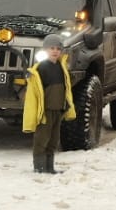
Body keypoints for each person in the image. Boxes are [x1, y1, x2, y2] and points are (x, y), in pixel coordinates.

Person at [23, 33, 76, 174]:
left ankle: (49, 167)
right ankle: (39, 168)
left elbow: (66, 89)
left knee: (53, 140)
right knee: (41, 140)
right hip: (45, 112)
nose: (55, 51)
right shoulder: (40, 69)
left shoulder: (61, 67)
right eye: (51, 48)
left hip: (58, 110)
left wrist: (67, 105)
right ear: (45, 50)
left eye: (58, 49)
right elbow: (35, 93)